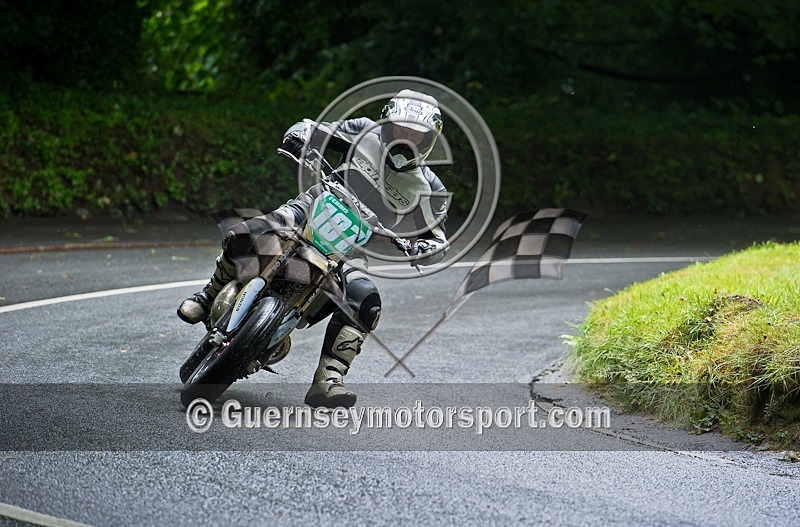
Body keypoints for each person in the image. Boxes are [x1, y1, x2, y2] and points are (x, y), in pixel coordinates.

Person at [177, 89, 449, 408]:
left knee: (366, 300)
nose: (406, 139)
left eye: (416, 135)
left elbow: (438, 240)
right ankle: (209, 294)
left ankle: (328, 379)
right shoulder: (363, 131)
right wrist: (301, 135)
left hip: (350, 249)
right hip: (311, 207)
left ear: (430, 140)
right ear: (387, 124)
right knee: (247, 231)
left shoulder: (429, 188)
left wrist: (425, 247)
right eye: (401, 129)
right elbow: (313, 128)